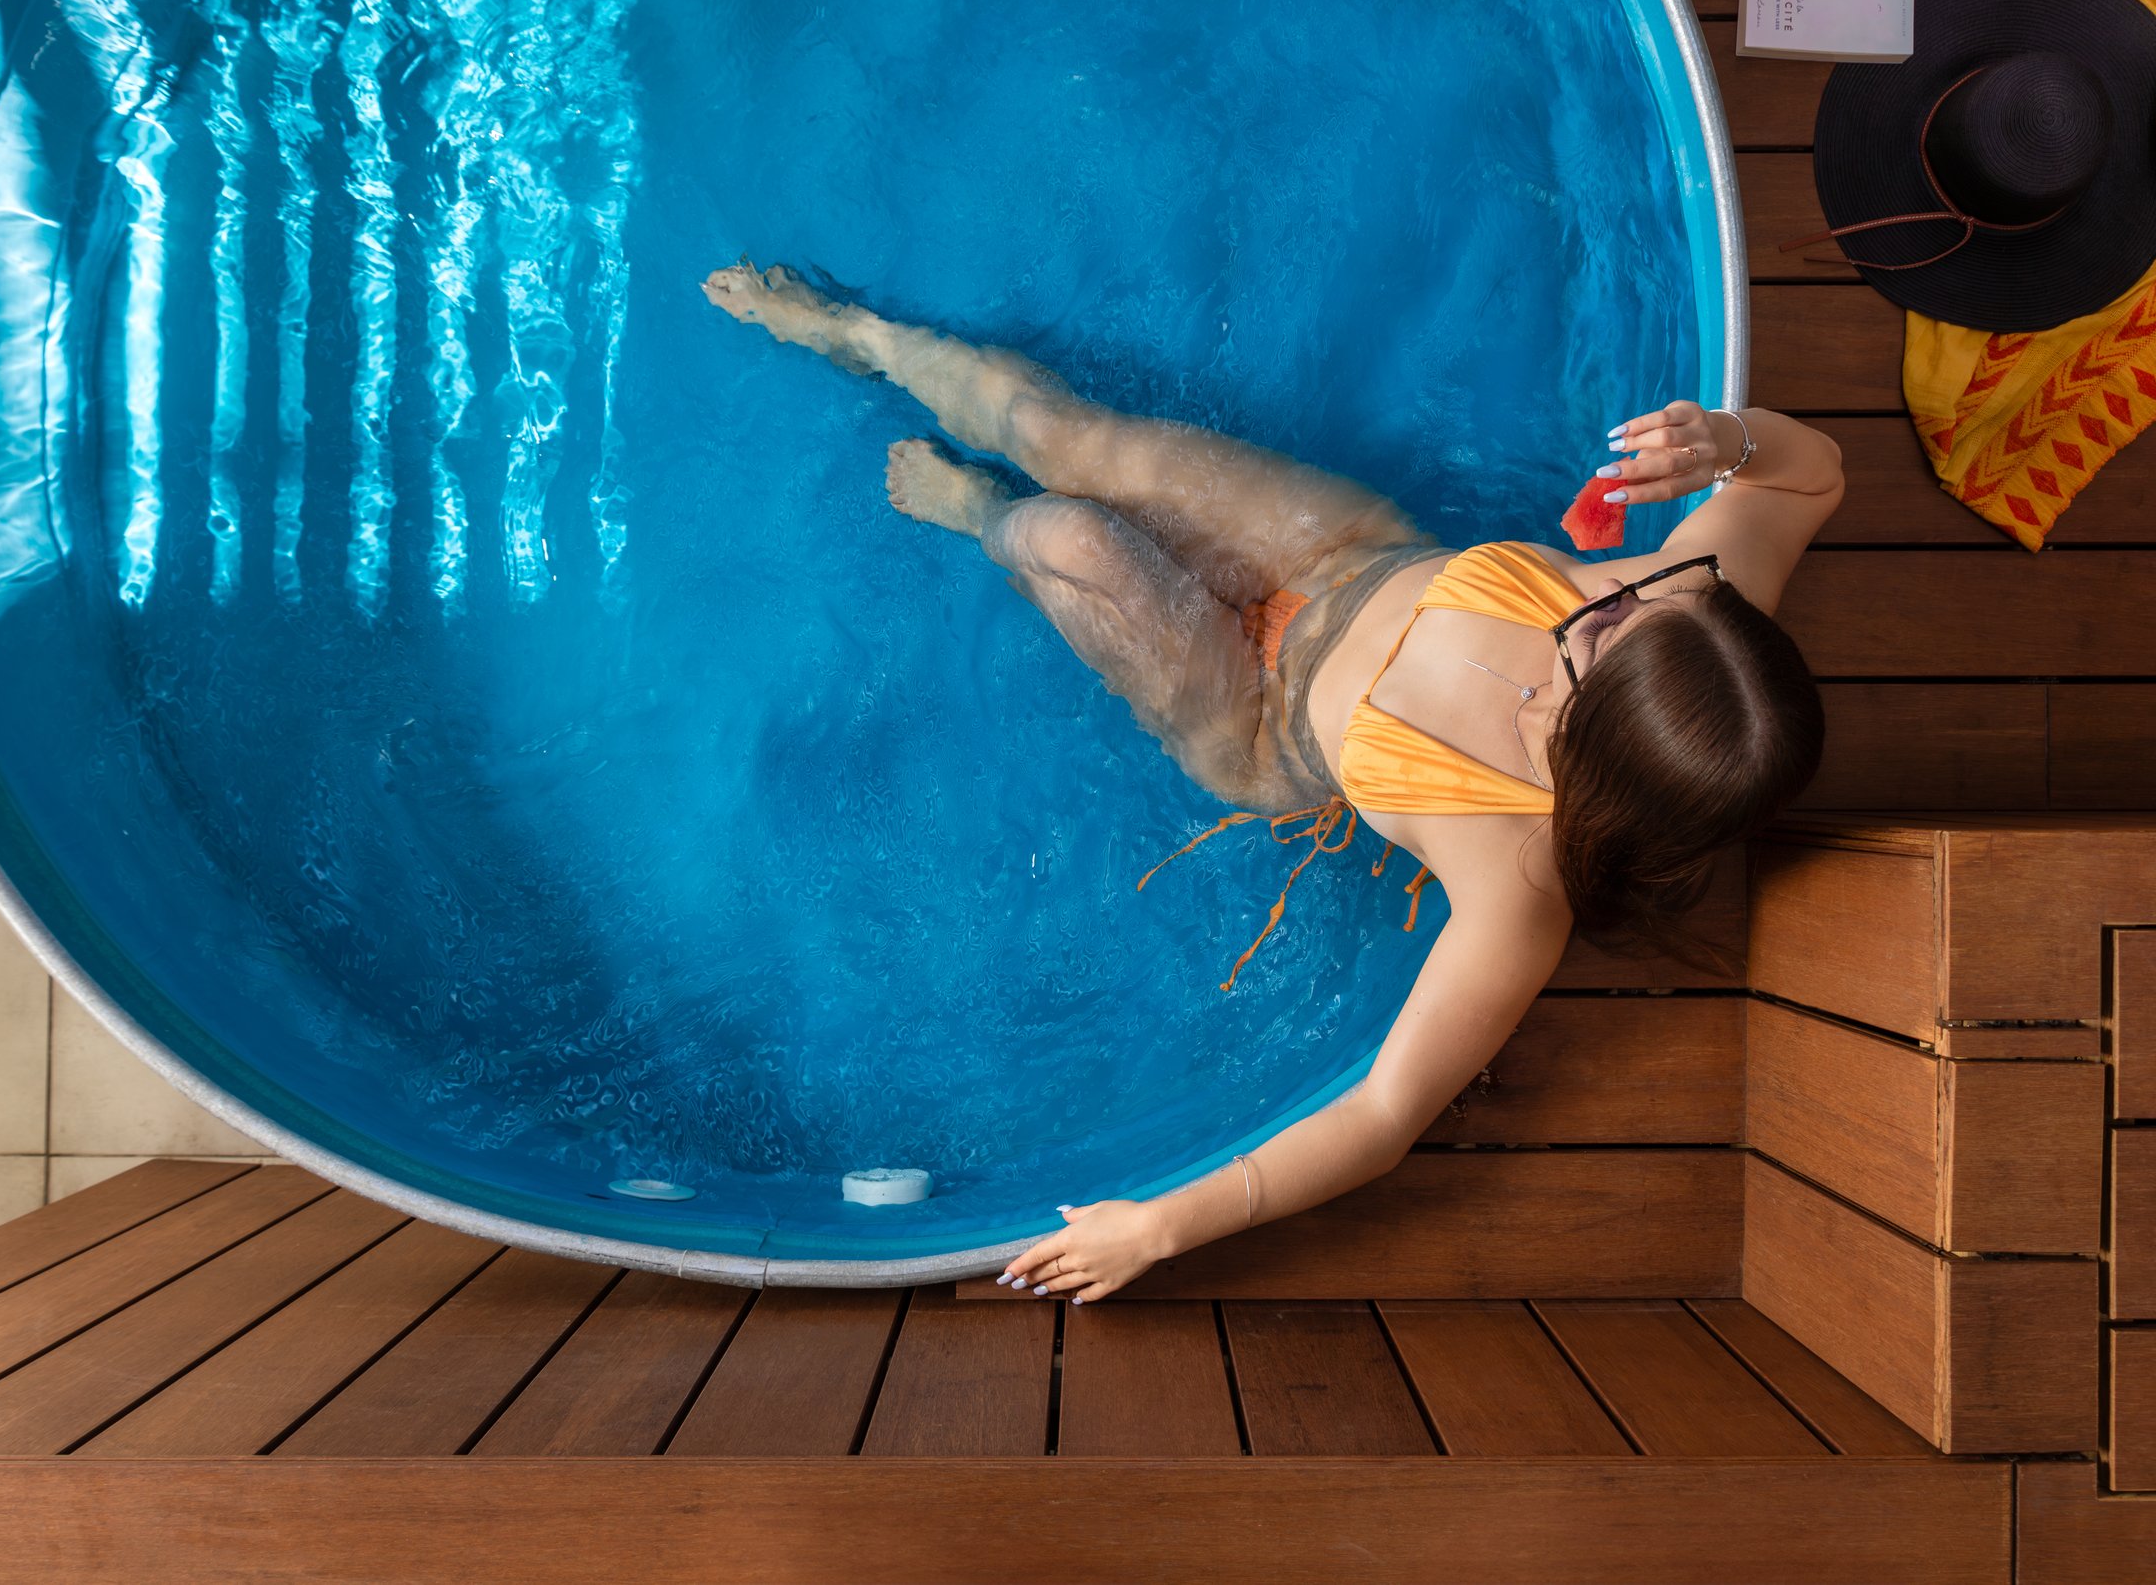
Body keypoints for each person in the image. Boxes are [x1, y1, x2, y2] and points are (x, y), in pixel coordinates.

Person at [701, 259, 1838, 1304]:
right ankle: (858, 333)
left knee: (1071, 537)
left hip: (1254, 718)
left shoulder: (1514, 886)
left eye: (1586, 653)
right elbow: (1812, 481)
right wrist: (1729, 442)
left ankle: (981, 515)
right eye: (1624, 601)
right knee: (1064, 430)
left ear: (1591, 754)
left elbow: (1387, 1113)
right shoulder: (1687, 619)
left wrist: (1161, 1227)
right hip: (1343, 552)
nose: (1609, 593)